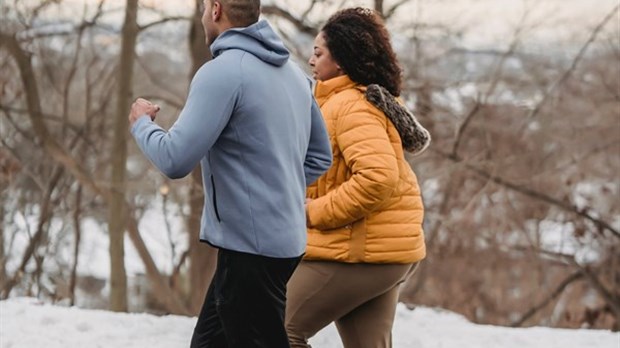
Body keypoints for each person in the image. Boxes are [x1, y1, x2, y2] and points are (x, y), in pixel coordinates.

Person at [128, 0, 333, 347]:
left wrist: (142, 124)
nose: (203, 15)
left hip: (250, 252)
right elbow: (319, 157)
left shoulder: (223, 71)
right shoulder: (295, 75)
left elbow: (175, 159)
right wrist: (276, 189)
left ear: (217, 9)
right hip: (283, 242)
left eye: (204, 8)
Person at [285, 7, 431, 348]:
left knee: (276, 329)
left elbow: (378, 178)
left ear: (341, 61)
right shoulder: (346, 101)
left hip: (365, 251)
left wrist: (313, 211)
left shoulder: (351, 106)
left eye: (319, 53)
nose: (310, 60)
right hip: (385, 252)